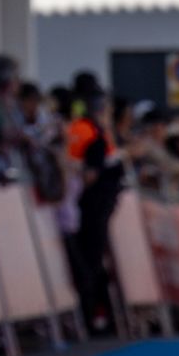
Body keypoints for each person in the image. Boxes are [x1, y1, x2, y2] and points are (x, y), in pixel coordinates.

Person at [67, 86, 124, 333]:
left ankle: (94, 314)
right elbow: (90, 174)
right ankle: (91, 316)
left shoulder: (78, 129)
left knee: (90, 260)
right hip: (91, 207)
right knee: (91, 261)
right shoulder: (95, 136)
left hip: (82, 205)